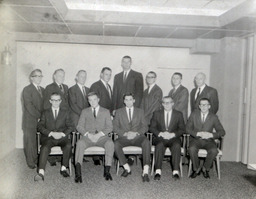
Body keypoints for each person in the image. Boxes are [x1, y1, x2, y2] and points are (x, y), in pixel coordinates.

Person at [74, 92, 114, 183]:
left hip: (101, 137)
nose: (92, 102)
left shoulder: (105, 111)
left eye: (94, 99)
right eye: (90, 100)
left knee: (110, 143)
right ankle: (78, 173)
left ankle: (107, 171)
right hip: (88, 137)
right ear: (88, 101)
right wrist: (88, 134)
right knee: (79, 143)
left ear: (98, 100)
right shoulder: (85, 111)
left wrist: (99, 134)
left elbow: (110, 127)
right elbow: (79, 126)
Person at [34, 93, 73, 181]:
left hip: (62, 137)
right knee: (44, 147)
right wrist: (50, 133)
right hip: (49, 138)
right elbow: (40, 126)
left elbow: (71, 126)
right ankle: (41, 172)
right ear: (50, 101)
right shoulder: (45, 112)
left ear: (61, 101)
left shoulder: (65, 112)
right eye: (54, 100)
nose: (56, 102)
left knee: (68, 146)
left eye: (58, 100)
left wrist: (62, 134)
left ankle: (63, 168)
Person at [113, 93, 150, 182]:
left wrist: (136, 133)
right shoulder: (119, 111)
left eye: (130, 99)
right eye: (126, 100)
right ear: (124, 101)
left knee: (146, 142)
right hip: (124, 137)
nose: (128, 102)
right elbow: (115, 127)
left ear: (134, 100)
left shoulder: (140, 111)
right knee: (115, 144)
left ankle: (145, 171)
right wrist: (125, 133)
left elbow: (145, 126)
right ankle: (127, 168)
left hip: (137, 137)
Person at [187, 98, 225, 179]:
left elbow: (222, 131)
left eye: (205, 105)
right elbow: (187, 129)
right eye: (201, 105)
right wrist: (197, 133)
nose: (203, 106)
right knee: (191, 149)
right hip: (196, 140)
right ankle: (196, 169)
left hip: (209, 141)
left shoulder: (214, 117)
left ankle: (205, 169)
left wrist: (211, 135)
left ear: (209, 106)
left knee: (214, 150)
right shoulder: (194, 114)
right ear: (199, 106)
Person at [149, 96, 185, 180]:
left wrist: (173, 134)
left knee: (176, 146)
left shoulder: (178, 114)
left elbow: (182, 129)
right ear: (162, 104)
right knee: (160, 145)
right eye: (165, 103)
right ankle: (158, 171)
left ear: (173, 103)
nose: (167, 104)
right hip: (160, 138)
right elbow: (152, 127)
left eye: (169, 102)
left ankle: (175, 171)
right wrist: (160, 133)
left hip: (173, 138)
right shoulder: (156, 113)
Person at [90, 67, 113, 165]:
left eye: (109, 74)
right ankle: (96, 156)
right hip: (98, 116)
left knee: (104, 135)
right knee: (96, 133)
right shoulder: (96, 85)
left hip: (106, 115)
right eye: (106, 74)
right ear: (101, 74)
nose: (108, 76)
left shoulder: (109, 87)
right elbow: (93, 103)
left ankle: (103, 155)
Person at [22, 69, 44, 169]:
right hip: (29, 121)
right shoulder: (27, 89)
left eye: (40, 76)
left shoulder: (42, 90)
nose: (39, 78)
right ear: (31, 78)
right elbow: (29, 106)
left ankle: (36, 159)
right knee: (30, 142)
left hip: (39, 120)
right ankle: (31, 163)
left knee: (37, 141)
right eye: (36, 76)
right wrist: (39, 116)